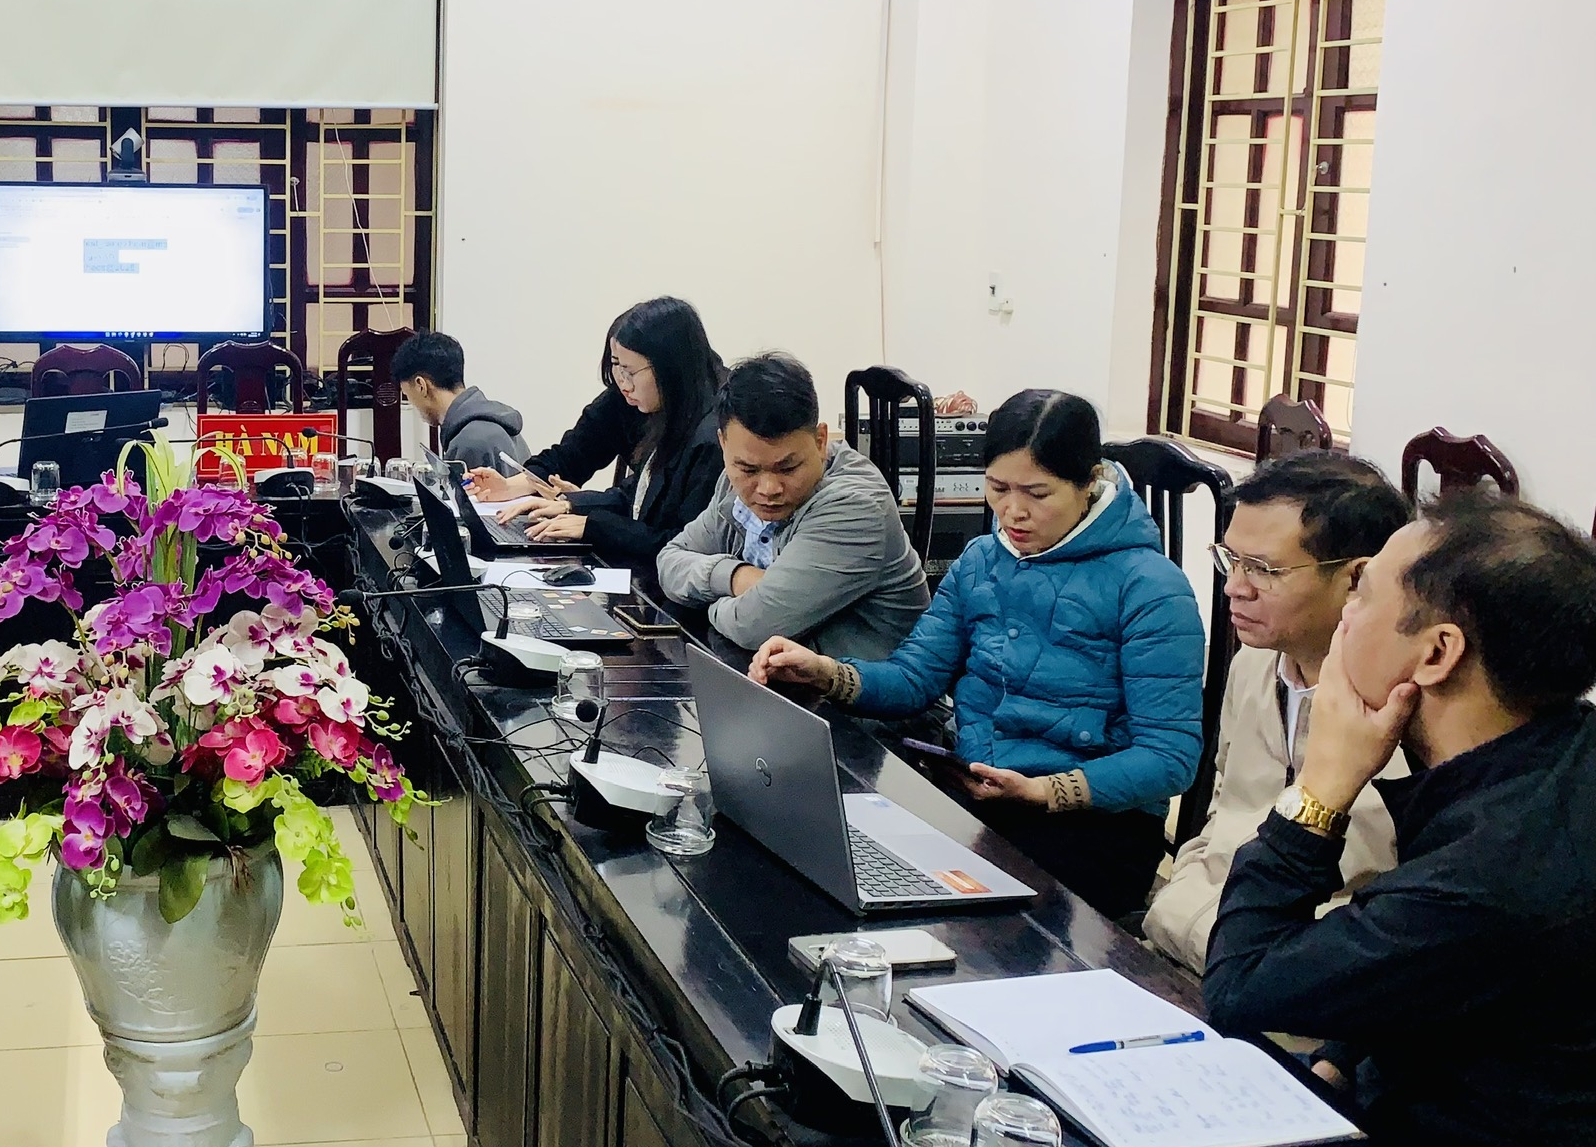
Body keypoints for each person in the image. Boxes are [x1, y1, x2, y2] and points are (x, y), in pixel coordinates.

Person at [1204, 491, 1596, 1147]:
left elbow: (1241, 988)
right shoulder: (1555, 753)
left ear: (1438, 653)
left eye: (1362, 592)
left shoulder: (1491, 872)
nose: (1344, 614)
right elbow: (1431, 972)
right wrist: (1345, 1052)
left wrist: (1320, 792)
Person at [750, 389, 1203, 918]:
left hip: (1093, 824)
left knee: (962, 921)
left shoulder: (1150, 587)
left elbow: (1169, 758)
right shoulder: (982, 560)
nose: (1013, 511)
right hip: (983, 795)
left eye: (1038, 493)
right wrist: (826, 673)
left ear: (1090, 482)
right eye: (998, 488)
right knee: (813, 856)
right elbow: (915, 679)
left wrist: (1043, 791)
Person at [1143, 453, 1410, 973]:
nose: (1234, 587)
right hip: (1182, 947)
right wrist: (1178, 910)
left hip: (1292, 983)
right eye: (1231, 559)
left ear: (1357, 578)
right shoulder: (1254, 663)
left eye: (1263, 570)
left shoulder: (1403, 715)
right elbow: (1220, 814)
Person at [656, 352, 929, 662]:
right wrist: (736, 576)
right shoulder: (732, 483)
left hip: (863, 690)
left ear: (820, 441)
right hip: (774, 674)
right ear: (724, 445)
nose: (768, 488)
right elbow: (670, 561)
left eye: (787, 468)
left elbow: (753, 626)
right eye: (748, 469)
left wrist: (706, 602)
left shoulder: (856, 508)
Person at [465, 297, 725, 562]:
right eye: (616, 366)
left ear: (670, 368)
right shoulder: (663, 409)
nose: (623, 384)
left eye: (629, 371)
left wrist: (593, 526)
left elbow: (683, 546)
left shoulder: (710, 437)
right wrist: (570, 504)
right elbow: (628, 491)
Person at [390, 330, 527, 471]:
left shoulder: (469, 441)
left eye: (407, 395)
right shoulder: (498, 421)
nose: (413, 404)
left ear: (421, 386)